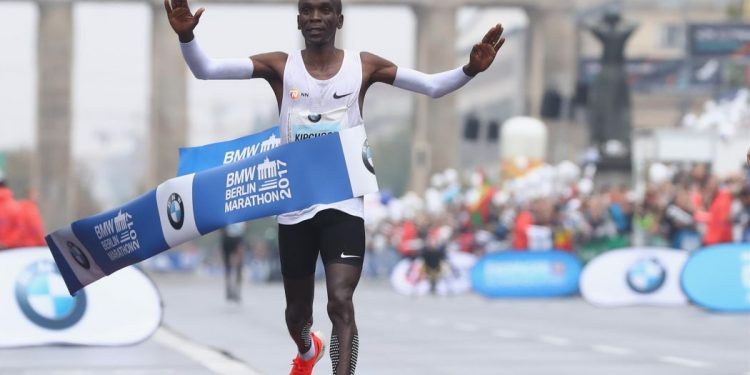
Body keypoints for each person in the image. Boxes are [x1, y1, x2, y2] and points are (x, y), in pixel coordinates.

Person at [164, 0, 505, 373]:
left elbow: (432, 86)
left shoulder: (364, 66)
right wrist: (187, 36)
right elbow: (207, 70)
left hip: (343, 202)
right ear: (298, 20)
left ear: (339, 19)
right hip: (295, 205)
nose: (315, 17)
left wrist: (470, 69)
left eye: (325, 10)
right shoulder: (280, 67)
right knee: (297, 314)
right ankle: (308, 349)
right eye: (308, 11)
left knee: (340, 300)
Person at [220, 222, 247, 302]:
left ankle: (237, 290)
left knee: (239, 266)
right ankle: (229, 289)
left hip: (237, 238)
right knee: (228, 266)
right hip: (227, 237)